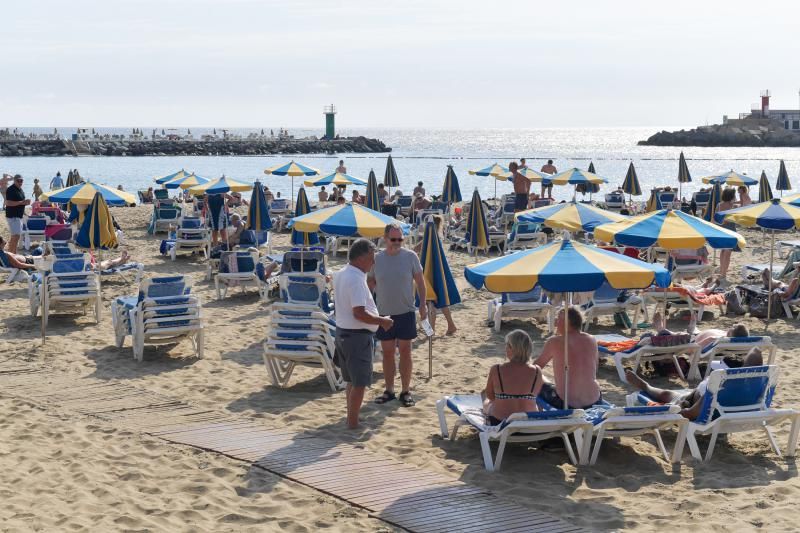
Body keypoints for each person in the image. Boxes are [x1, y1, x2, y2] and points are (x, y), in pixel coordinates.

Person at [333, 239, 394, 429]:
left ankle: (352, 417)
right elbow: (359, 313)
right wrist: (382, 321)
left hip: (343, 333)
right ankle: (352, 422)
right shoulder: (355, 279)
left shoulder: (341, 273)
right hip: (356, 336)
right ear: (360, 258)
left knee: (351, 380)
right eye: (370, 259)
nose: (373, 263)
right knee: (359, 383)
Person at [370, 223, 428, 407]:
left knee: (405, 352)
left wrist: (423, 305)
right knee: (387, 353)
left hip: (406, 312)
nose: (397, 243)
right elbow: (370, 282)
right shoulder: (377, 259)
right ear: (385, 239)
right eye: (393, 239)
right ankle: (389, 390)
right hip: (384, 314)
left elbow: (420, 281)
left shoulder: (410, 256)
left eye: (400, 239)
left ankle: (405, 390)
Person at [626, 347, 763, 420]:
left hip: (695, 403)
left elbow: (691, 414)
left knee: (667, 394)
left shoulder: (716, 391)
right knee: (670, 394)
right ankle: (646, 386)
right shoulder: (747, 387)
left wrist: (678, 410)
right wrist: (739, 373)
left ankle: (646, 386)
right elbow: (756, 351)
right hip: (723, 408)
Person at [534, 306, 601, 409]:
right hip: (594, 400)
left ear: (566, 323)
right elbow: (594, 369)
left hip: (566, 404)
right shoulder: (592, 340)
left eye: (558, 320)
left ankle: (541, 415)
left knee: (537, 380)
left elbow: (535, 368)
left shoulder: (555, 341)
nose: (556, 323)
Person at [483, 329, 543, 424]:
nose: (505, 348)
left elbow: (490, 395)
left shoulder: (497, 369)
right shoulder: (537, 371)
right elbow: (536, 394)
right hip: (529, 422)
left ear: (512, 348)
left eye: (507, 345)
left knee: (487, 401)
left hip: (500, 422)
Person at [413, 215, 458, 335]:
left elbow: (414, 250)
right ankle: (450, 325)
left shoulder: (428, 240)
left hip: (428, 274)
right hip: (438, 274)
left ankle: (432, 329)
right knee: (441, 299)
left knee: (430, 301)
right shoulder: (437, 238)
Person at [4, 175, 29, 254]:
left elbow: (20, 203)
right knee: (16, 236)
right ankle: (12, 254)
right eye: (18, 180)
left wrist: (24, 210)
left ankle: (11, 254)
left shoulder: (20, 190)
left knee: (15, 236)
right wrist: (23, 202)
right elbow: (8, 203)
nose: (20, 182)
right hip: (13, 216)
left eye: (21, 181)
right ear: (14, 181)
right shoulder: (11, 189)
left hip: (18, 216)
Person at [716, 188, 737, 280]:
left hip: (721, 230)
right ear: (731, 196)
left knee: (723, 251)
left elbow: (716, 218)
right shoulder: (733, 206)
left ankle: (721, 271)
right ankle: (724, 274)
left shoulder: (719, 205)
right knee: (728, 253)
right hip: (731, 230)